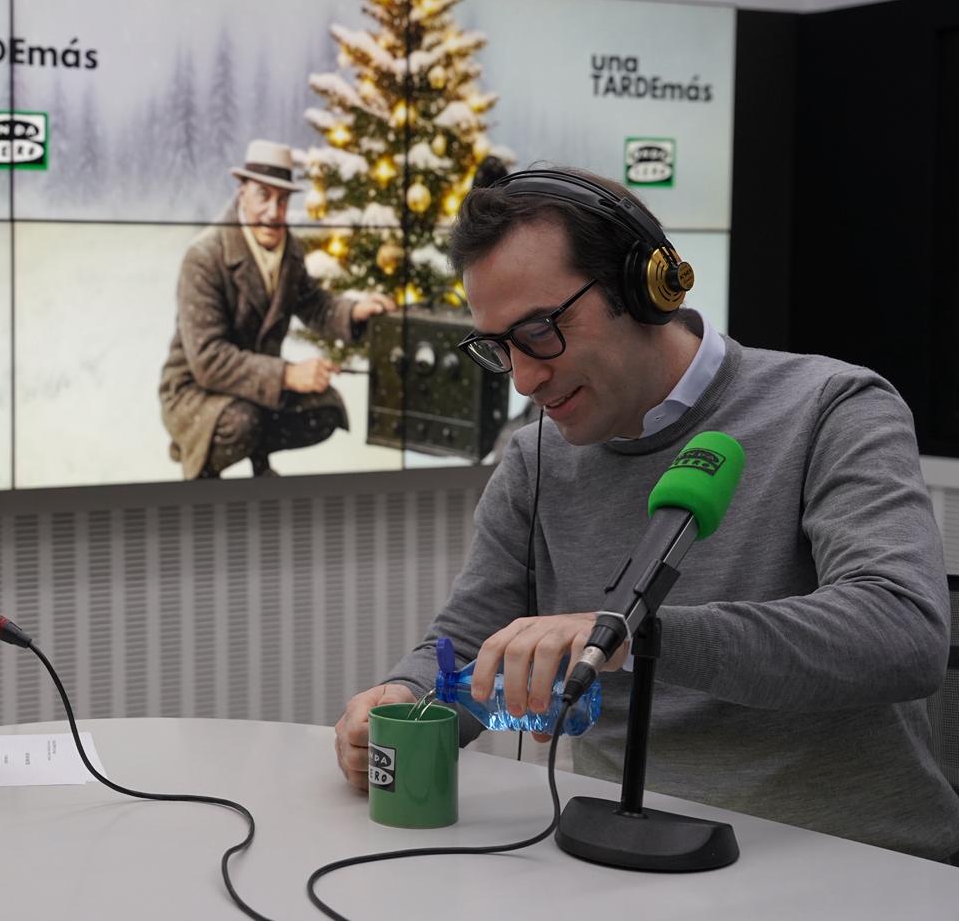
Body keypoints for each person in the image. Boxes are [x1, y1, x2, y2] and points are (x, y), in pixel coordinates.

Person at [333, 166, 959, 862]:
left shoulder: (834, 407)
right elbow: (471, 642)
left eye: (541, 330)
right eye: (500, 347)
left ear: (646, 287)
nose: (524, 377)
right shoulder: (534, 458)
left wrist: (634, 635)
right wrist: (401, 700)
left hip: (848, 860)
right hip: (617, 855)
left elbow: (903, 631)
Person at [160, 139, 396, 478]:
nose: (274, 212)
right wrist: (287, 375)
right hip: (195, 390)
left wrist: (354, 310)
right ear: (242, 192)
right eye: (263, 196)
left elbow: (314, 304)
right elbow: (208, 360)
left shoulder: (290, 250)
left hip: (252, 386)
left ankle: (256, 454)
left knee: (326, 410)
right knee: (242, 422)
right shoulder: (204, 256)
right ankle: (203, 467)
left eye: (283, 200)